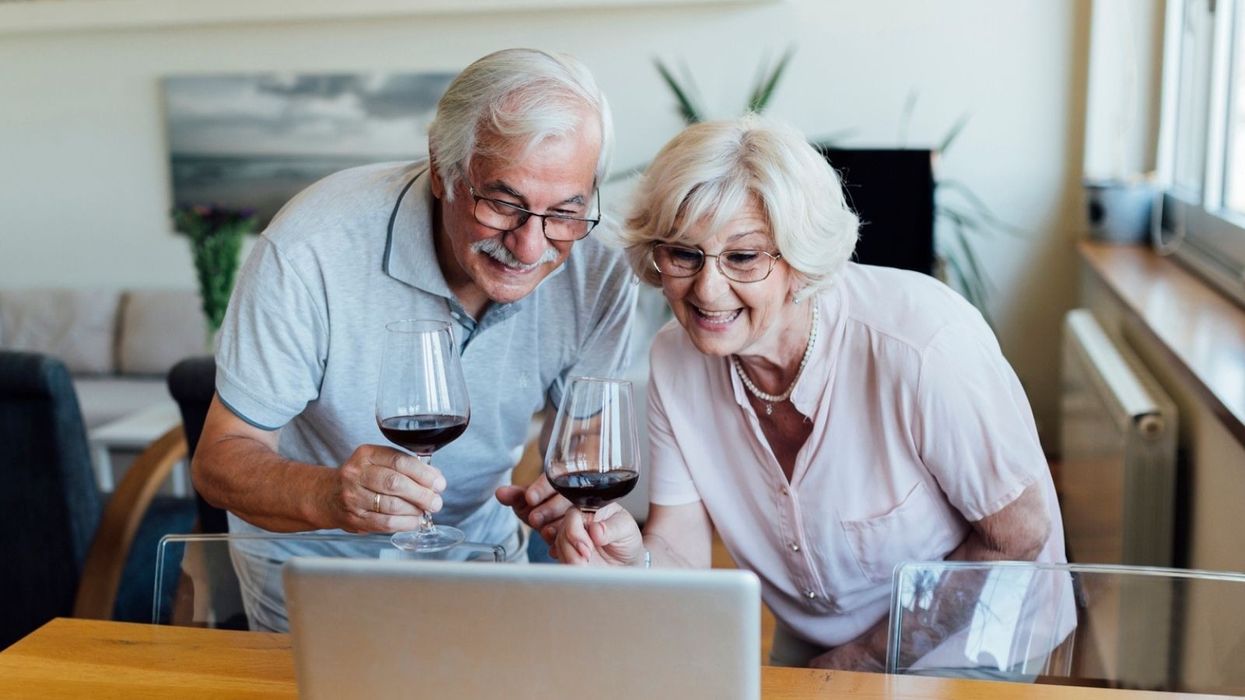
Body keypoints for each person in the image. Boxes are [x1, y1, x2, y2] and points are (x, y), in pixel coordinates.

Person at [521, 114, 1067, 670]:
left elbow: (1016, 536)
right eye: (684, 254)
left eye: (743, 257)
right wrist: (633, 558)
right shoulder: (675, 360)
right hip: (819, 646)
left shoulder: (923, 345)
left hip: (977, 639)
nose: (708, 291)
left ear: (800, 261)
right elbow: (681, 547)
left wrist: (862, 660)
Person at [192, 48, 636, 631]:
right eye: (503, 204)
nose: (531, 248)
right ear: (440, 168)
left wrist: (560, 497)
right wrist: (332, 496)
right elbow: (219, 461)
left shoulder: (599, 270)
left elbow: (579, 447)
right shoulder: (311, 246)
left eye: (564, 212)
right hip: (317, 571)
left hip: (483, 556)